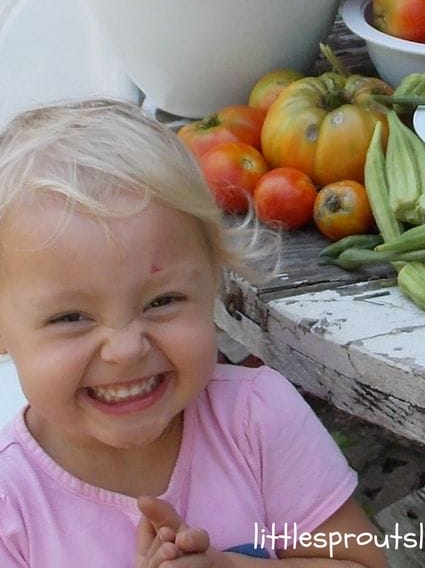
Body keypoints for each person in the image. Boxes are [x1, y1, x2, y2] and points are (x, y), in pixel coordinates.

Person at [0, 99, 388, 568]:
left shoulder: (255, 418)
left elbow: (360, 561)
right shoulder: (12, 507)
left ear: (212, 287)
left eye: (162, 302)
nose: (126, 350)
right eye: (70, 318)